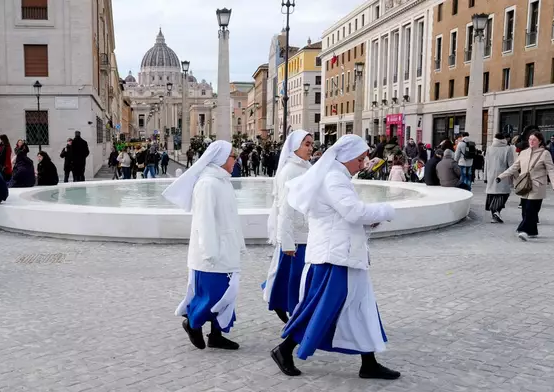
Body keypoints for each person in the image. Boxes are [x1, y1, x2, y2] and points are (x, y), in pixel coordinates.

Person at [270, 134, 399, 380]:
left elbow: (345, 215)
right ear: (348, 157)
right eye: (360, 159)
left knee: (362, 307)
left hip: (343, 254)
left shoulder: (335, 177)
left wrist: (371, 220)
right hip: (335, 257)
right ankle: (285, 349)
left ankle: (368, 362)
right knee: (322, 307)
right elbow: (352, 211)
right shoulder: (333, 179)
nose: (363, 164)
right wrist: (386, 210)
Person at [162, 140, 244, 351]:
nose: (236, 159)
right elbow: (204, 221)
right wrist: (209, 252)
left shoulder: (223, 181)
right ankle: (192, 323)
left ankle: (216, 335)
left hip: (227, 250)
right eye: (233, 156)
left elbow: (231, 218)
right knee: (210, 296)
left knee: (227, 295)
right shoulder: (208, 184)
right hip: (212, 254)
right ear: (221, 158)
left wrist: (238, 244)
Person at [263, 130, 313, 324]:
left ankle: (290, 308)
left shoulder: (306, 167)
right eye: (306, 144)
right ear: (295, 147)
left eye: (311, 144)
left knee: (291, 276)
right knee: (294, 278)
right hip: (296, 236)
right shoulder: (290, 171)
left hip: (306, 232)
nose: (310, 148)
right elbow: (285, 207)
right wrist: (287, 241)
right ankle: (295, 313)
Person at [497, 131, 554, 241]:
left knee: (531, 210)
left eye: (534, 139)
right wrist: (501, 176)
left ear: (539, 141)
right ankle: (532, 231)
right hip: (524, 185)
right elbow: (514, 167)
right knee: (525, 210)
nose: (531, 141)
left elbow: (551, 169)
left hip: (537, 186)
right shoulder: (523, 153)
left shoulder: (545, 153)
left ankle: (523, 230)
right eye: (530, 139)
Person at [484, 133, 515, 223]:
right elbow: (511, 164)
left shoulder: (489, 148)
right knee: (503, 194)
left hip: (490, 174)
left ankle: (494, 215)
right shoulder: (507, 148)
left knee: (492, 194)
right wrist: (513, 176)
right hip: (503, 175)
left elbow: (486, 163)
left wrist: (485, 176)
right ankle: (497, 211)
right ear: (504, 139)